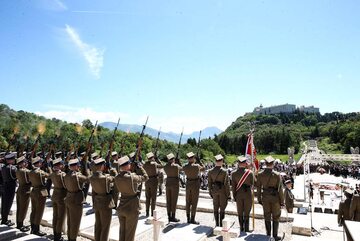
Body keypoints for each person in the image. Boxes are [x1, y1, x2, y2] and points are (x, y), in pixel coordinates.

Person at [115, 155, 149, 241]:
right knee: (130, 234)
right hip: (132, 207)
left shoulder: (117, 177)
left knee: (122, 233)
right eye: (129, 164)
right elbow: (145, 177)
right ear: (127, 165)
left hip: (121, 206)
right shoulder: (131, 177)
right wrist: (140, 167)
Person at [257, 156, 284, 241]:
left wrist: (259, 199)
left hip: (265, 197)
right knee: (276, 216)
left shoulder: (260, 174)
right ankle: (275, 236)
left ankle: (268, 235)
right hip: (275, 198)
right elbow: (280, 189)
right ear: (273, 164)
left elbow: (258, 188)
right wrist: (282, 202)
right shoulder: (277, 174)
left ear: (265, 163)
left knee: (267, 216)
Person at [90, 157, 115, 241]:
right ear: (101, 166)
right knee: (105, 227)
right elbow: (115, 178)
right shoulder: (105, 178)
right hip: (106, 203)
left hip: (97, 202)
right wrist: (113, 170)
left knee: (98, 225)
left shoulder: (91, 177)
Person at [64, 158, 89, 241]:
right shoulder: (77, 175)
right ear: (75, 166)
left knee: (70, 221)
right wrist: (86, 168)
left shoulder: (66, 175)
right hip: (76, 200)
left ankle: (70, 238)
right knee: (75, 222)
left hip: (69, 197)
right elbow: (88, 179)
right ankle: (73, 238)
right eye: (78, 165)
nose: (79, 166)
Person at [231, 156, 255, 232]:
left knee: (240, 212)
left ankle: (241, 228)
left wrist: (234, 196)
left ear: (238, 163)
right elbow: (254, 183)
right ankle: (247, 229)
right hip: (248, 194)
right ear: (245, 163)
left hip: (238, 194)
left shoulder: (233, 173)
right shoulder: (250, 173)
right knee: (247, 212)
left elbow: (233, 187)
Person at [28, 156, 50, 236]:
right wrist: (49, 168)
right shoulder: (40, 172)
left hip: (34, 190)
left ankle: (32, 227)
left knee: (33, 210)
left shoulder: (30, 172)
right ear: (39, 163)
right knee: (39, 212)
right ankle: (36, 230)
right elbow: (49, 176)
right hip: (40, 192)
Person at [183, 151, 205, 224]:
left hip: (188, 184)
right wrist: (199, 161)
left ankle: (188, 218)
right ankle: (192, 219)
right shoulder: (197, 166)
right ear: (193, 158)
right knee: (194, 202)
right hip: (195, 184)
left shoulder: (185, 166)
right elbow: (204, 168)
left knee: (188, 202)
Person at [208, 154, 230, 227]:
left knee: (215, 207)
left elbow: (209, 183)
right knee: (222, 208)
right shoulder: (224, 171)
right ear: (222, 161)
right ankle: (221, 224)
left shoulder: (210, 171)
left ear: (215, 161)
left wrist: (210, 192)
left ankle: (217, 224)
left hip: (214, 190)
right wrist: (228, 194)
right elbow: (226, 184)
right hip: (222, 191)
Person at [49, 158, 67, 241]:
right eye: (62, 164)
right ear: (60, 165)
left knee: (55, 216)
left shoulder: (52, 174)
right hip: (62, 196)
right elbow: (65, 185)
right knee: (61, 217)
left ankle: (55, 232)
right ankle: (58, 236)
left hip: (55, 195)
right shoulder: (62, 174)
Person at [163, 153, 182, 222]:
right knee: (174, 201)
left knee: (168, 200)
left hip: (168, 183)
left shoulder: (165, 166)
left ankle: (169, 216)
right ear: (173, 159)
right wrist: (178, 161)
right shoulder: (176, 166)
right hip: (175, 184)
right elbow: (182, 168)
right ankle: (173, 216)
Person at [143, 152, 163, 217]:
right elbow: (161, 165)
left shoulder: (145, 164)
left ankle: (147, 212)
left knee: (147, 197)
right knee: (153, 198)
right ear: (152, 158)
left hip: (147, 181)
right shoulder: (154, 163)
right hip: (154, 181)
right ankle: (152, 212)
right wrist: (158, 159)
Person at [15, 155, 31, 232]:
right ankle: (20, 225)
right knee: (23, 208)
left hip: (19, 190)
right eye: (25, 162)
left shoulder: (17, 170)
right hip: (25, 191)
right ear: (22, 163)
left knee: (19, 208)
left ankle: (18, 223)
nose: (26, 163)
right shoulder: (26, 171)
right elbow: (29, 181)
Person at [1, 153, 17, 226]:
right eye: (13, 159)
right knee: (8, 204)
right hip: (10, 187)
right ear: (11, 160)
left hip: (5, 186)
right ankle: (5, 220)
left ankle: (4, 218)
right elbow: (14, 177)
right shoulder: (12, 168)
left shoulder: (3, 167)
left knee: (4, 203)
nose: (14, 160)